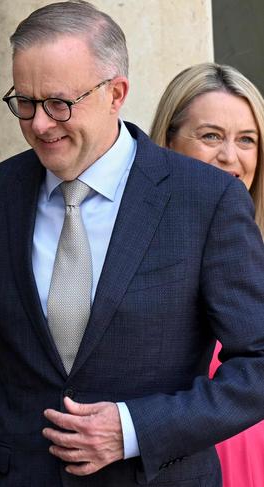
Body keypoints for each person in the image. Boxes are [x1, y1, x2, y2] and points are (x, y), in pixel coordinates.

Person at [0, 2, 264, 486]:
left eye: (59, 103)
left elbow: (258, 364)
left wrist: (134, 428)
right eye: (25, 103)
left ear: (116, 93)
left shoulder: (206, 199)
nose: (38, 124)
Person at [150, 62, 264, 487]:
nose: (230, 157)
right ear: (166, 142)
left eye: (247, 140)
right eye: (211, 136)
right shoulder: (136, 259)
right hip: (184, 468)